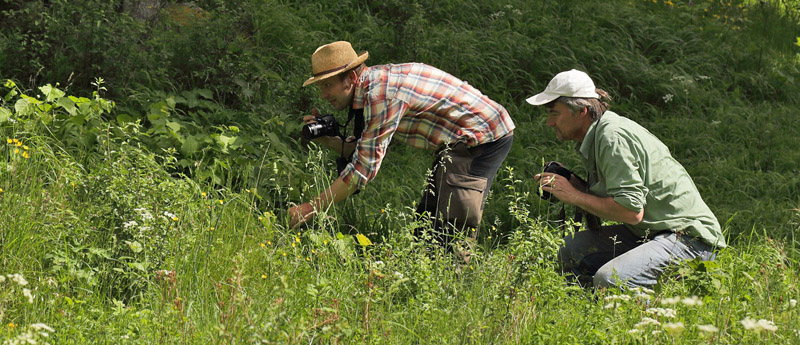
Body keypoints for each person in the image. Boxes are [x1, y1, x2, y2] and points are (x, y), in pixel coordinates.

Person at [289, 41, 515, 247]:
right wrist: (329, 141)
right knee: (427, 222)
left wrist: (311, 208)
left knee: (452, 226)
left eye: (328, 85)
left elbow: (363, 170)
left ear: (350, 79)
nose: (324, 94)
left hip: (483, 134)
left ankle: (454, 284)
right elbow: (362, 150)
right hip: (456, 141)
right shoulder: (370, 88)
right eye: (321, 87)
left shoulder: (380, 95)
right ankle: (426, 275)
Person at [527, 69, 726, 288]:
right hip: (650, 234)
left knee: (610, 279)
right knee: (571, 250)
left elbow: (631, 212)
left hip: (689, 241)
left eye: (554, 113)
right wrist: (578, 186)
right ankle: (588, 310)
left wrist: (573, 195)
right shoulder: (598, 134)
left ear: (581, 111)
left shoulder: (612, 137)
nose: (549, 123)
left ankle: (645, 317)